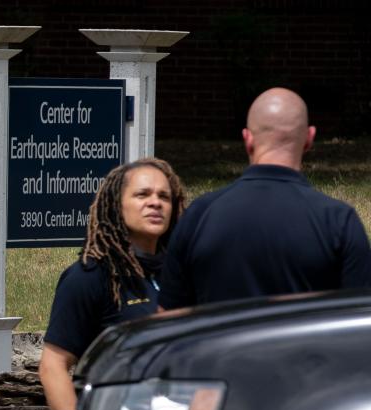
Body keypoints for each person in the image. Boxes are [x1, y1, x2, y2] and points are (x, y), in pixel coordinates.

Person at [159, 88, 371, 309]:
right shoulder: (338, 220)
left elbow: (167, 317)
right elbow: (358, 317)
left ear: (247, 139)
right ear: (309, 138)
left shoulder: (199, 214)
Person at [39, 159, 186, 410]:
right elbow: (53, 366)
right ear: (117, 206)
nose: (156, 202)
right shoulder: (90, 277)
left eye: (164, 196)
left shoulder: (181, 274)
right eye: (142, 194)